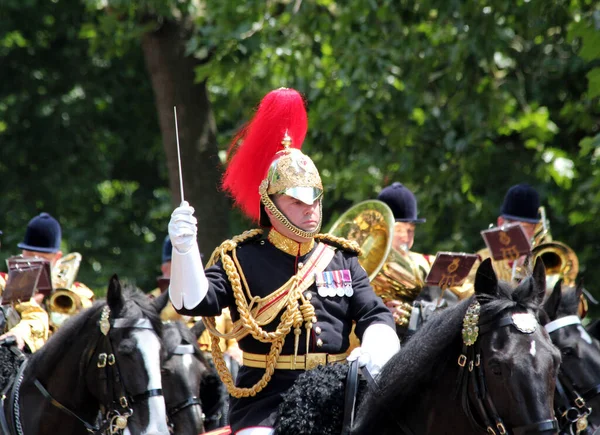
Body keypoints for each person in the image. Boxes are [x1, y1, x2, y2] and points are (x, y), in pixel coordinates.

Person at [167, 88, 399, 435]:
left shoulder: (340, 258)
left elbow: (374, 314)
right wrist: (184, 251)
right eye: (297, 202)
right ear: (270, 205)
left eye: (315, 200)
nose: (311, 209)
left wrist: (377, 346)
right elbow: (192, 302)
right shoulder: (240, 259)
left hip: (338, 394)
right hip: (268, 402)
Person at [151, 235, 242, 365]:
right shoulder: (152, 302)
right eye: (179, 262)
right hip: (172, 368)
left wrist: (235, 349)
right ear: (164, 268)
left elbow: (236, 332)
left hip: (217, 368)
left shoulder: (216, 295)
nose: (187, 267)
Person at [375, 182, 434, 327]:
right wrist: (377, 314)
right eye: (399, 229)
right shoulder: (363, 265)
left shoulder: (426, 262)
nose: (406, 237)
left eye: (411, 230)